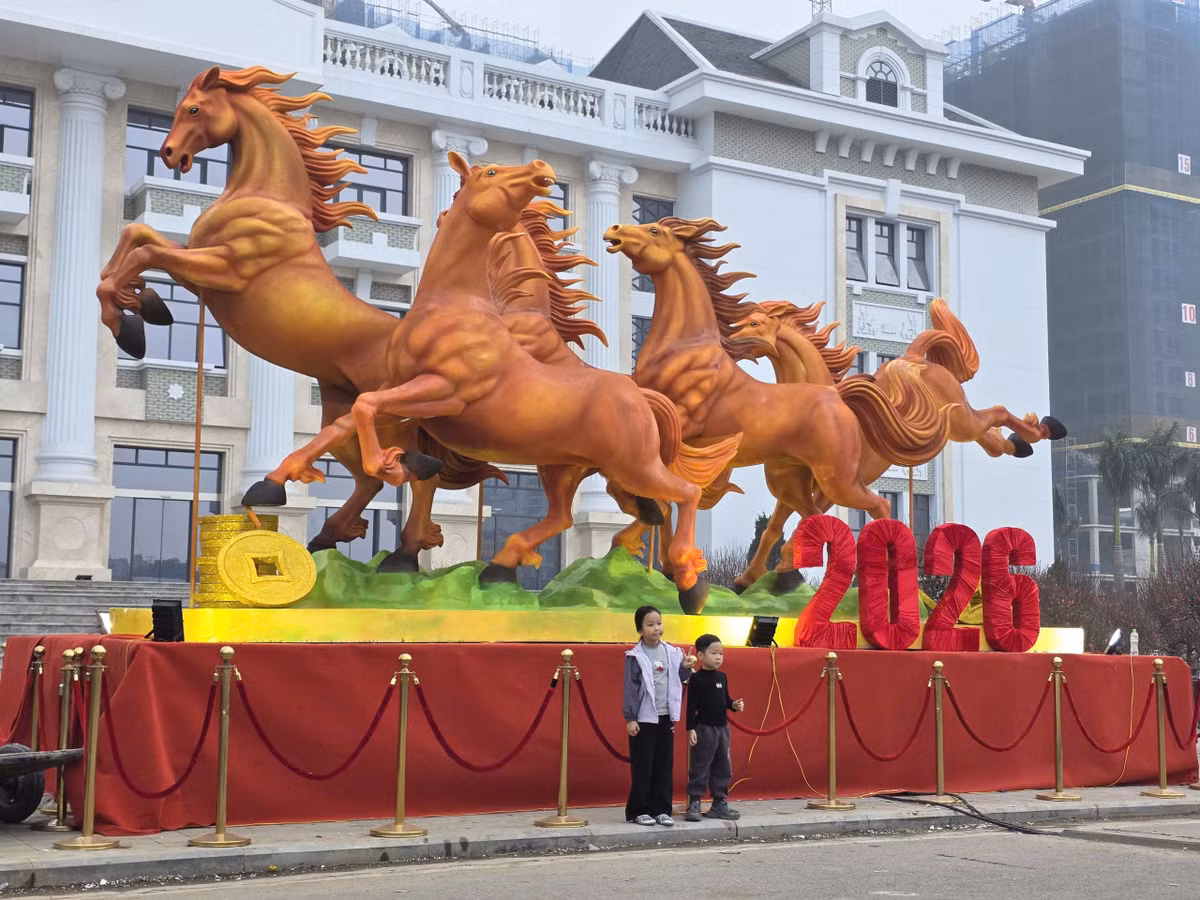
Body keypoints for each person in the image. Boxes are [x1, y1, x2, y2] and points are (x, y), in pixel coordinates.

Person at [623, 604, 696, 826]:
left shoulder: (671, 651)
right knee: (644, 764)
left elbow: (681, 678)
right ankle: (639, 810)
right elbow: (630, 688)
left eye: (659, 623)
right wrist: (631, 718)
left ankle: (662, 809)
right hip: (644, 718)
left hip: (666, 717)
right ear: (640, 629)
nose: (656, 628)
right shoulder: (635, 655)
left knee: (664, 764)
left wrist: (685, 666)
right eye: (650, 624)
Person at [684, 633, 744, 822]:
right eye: (714, 653)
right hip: (704, 729)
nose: (719, 657)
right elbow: (690, 707)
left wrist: (734, 705)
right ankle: (694, 803)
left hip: (722, 729)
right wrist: (691, 729)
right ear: (700, 656)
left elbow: (725, 700)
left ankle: (719, 803)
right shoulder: (696, 679)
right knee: (700, 765)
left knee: (723, 766)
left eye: (721, 653)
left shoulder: (722, 677)